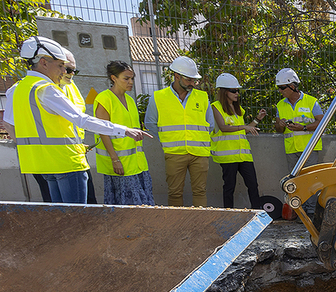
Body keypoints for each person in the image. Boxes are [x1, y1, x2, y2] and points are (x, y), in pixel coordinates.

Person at [3, 36, 150, 204]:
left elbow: (11, 124)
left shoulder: (19, 88)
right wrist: (124, 130)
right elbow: (82, 120)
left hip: (42, 165)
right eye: (60, 66)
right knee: (79, 218)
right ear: (43, 63)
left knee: (62, 218)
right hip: (66, 162)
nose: (63, 72)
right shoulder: (46, 89)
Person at [144, 55, 211, 206]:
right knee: (174, 192)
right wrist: (168, 138)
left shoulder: (202, 97)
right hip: (174, 153)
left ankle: (201, 227)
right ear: (176, 76)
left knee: (200, 191)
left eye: (194, 80)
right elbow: (150, 123)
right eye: (189, 80)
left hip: (200, 153)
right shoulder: (158, 97)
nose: (192, 83)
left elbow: (210, 124)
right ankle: (177, 227)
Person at [92, 60, 154, 205]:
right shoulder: (104, 99)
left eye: (132, 78)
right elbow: (103, 131)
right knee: (126, 207)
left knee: (144, 204)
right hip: (119, 165)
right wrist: (115, 159)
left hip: (137, 164)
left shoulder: (131, 100)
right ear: (114, 78)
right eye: (126, 78)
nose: (130, 82)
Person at [212, 73, 266, 209]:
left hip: (244, 155)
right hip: (228, 156)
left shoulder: (238, 109)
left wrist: (257, 119)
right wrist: (243, 126)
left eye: (238, 91)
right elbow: (223, 128)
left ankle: (257, 213)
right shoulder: (215, 107)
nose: (237, 93)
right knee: (229, 187)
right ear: (224, 91)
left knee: (253, 184)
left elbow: (244, 130)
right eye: (233, 91)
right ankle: (228, 214)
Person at [273, 68, 321, 217]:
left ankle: (312, 211)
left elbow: (322, 122)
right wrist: (279, 125)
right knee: (296, 182)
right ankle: (302, 211)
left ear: (292, 86)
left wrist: (304, 127)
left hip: (309, 149)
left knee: (311, 180)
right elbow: (278, 129)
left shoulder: (311, 102)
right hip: (292, 149)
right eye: (278, 88)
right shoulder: (280, 105)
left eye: (282, 88)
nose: (280, 91)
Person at [59, 49, 98, 204]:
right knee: (72, 213)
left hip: (75, 156)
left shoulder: (71, 86)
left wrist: (79, 144)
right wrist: (123, 130)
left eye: (74, 70)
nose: (70, 74)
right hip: (56, 161)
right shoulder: (41, 90)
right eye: (67, 69)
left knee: (88, 204)